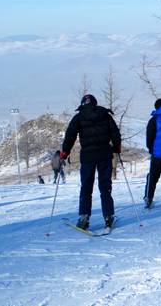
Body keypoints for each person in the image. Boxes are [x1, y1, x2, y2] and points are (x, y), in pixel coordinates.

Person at [61, 94, 121, 230]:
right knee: (105, 186)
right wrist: (117, 147)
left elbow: (70, 135)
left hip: (88, 156)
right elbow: (115, 133)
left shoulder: (79, 117)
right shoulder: (105, 115)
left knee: (86, 187)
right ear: (95, 103)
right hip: (105, 154)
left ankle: (84, 217)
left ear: (83, 104)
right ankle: (108, 217)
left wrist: (65, 152)